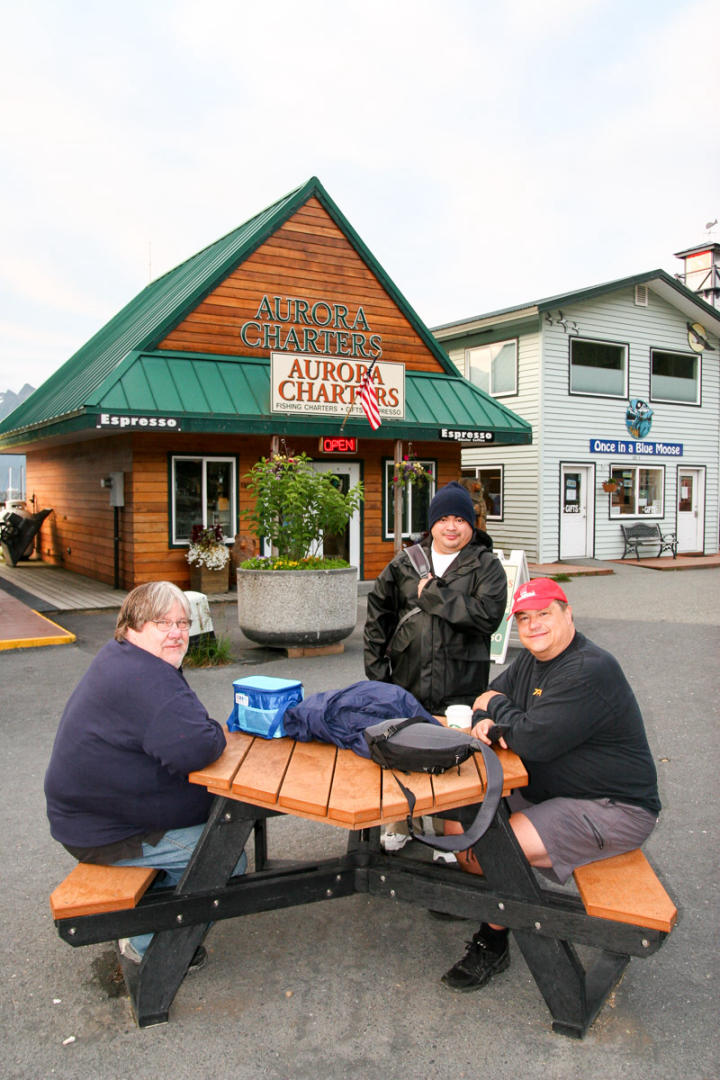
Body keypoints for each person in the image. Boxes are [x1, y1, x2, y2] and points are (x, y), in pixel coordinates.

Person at [441, 577, 660, 993]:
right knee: (460, 830)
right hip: (549, 790)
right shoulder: (532, 660)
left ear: (568, 613)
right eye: (524, 618)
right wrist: (501, 718)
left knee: (493, 849)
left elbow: (529, 737)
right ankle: (487, 894)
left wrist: (501, 716)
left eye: (544, 614)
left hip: (611, 807)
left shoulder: (589, 669)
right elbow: (485, 698)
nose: (534, 625)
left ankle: (493, 940)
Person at [44, 581, 242, 967]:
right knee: (226, 857)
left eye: (183, 624)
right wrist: (215, 732)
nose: (176, 633)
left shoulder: (125, 659)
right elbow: (194, 746)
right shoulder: (143, 677)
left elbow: (183, 730)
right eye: (161, 622)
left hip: (93, 819)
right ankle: (146, 940)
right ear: (132, 626)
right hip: (108, 833)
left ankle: (148, 913)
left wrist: (204, 730)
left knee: (223, 823)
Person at [363, 480, 508, 850]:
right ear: (432, 524)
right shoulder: (404, 564)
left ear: (471, 524)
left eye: (460, 518)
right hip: (406, 680)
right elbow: (377, 617)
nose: (452, 526)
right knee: (399, 750)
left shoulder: (487, 566)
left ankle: (450, 836)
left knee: (453, 759)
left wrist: (435, 595)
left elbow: (486, 617)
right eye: (443, 518)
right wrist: (379, 677)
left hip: (461, 686)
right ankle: (397, 822)